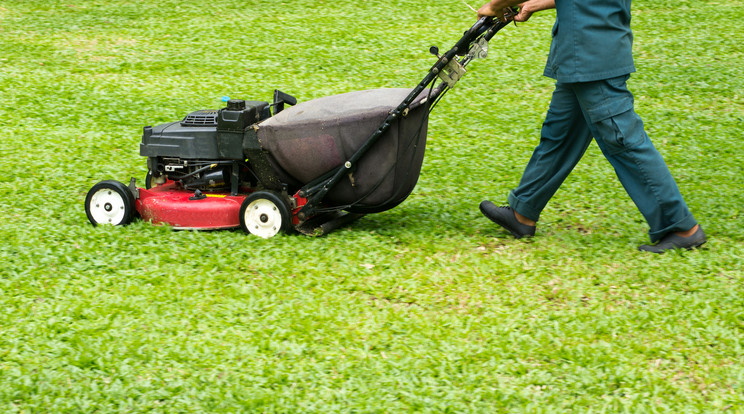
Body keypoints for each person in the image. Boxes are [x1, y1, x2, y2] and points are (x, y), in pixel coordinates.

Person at [476, 0, 706, 253]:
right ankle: (523, 213)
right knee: (561, 134)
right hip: (586, 43)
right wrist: (537, 4)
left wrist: (495, 5)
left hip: (590, 50)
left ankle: (680, 227)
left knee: (621, 138)